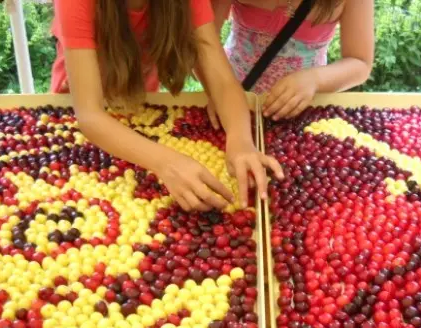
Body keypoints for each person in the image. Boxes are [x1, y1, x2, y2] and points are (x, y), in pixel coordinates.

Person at [51, 0, 283, 211]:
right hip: (76, 107)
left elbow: (222, 80)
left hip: (139, 99)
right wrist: (167, 162)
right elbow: (90, 115)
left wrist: (241, 140)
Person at [207, 0, 374, 124]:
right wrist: (217, 88)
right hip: (232, 100)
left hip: (302, 109)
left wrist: (314, 80)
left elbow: (360, 63)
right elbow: (203, 43)